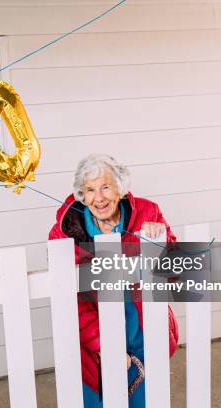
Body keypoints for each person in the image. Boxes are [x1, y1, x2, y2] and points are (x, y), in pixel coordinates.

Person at [48, 154, 179, 407]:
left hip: (143, 329)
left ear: (120, 187)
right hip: (93, 339)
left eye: (106, 187)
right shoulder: (66, 230)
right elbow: (70, 299)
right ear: (81, 195)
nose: (99, 198)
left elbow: (174, 274)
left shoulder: (147, 212)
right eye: (90, 190)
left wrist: (159, 241)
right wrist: (105, 345)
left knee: (145, 400)